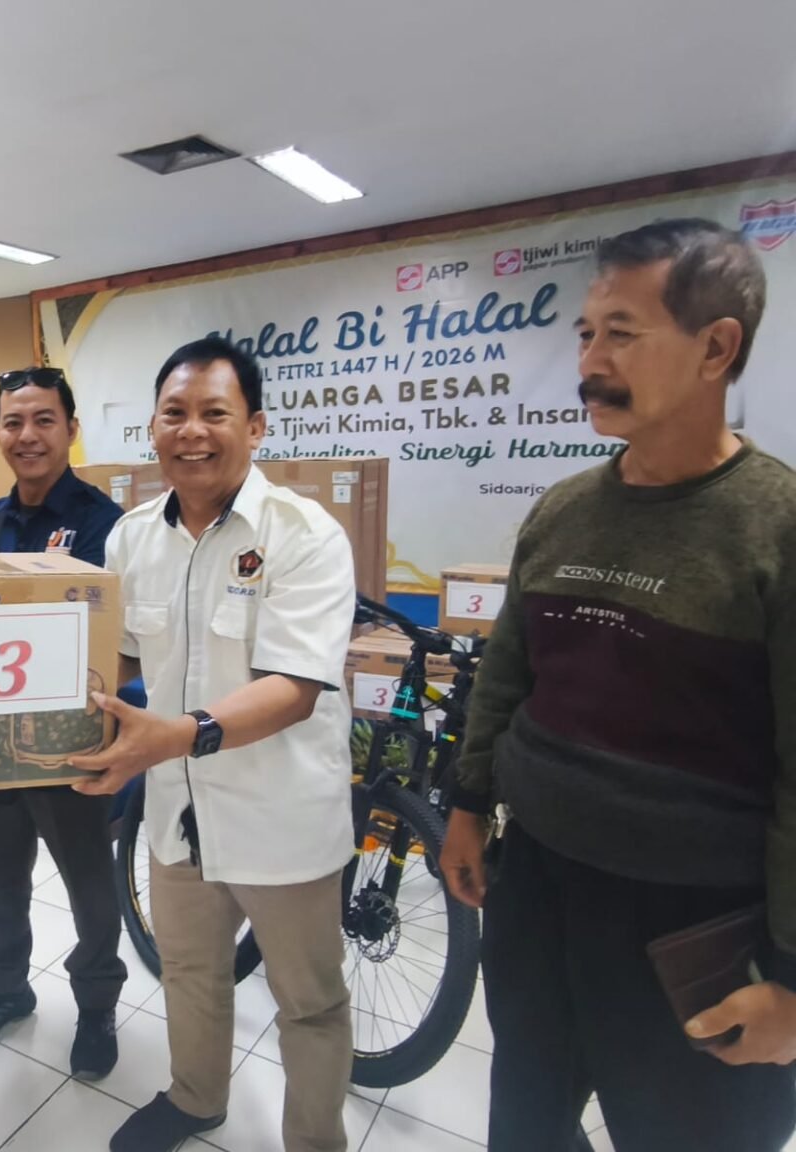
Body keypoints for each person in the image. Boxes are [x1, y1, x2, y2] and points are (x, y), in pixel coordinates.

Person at [441, 218, 796, 1152]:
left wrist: (792, 978)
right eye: (586, 334)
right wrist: (468, 805)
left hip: (694, 923)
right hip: (539, 887)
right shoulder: (563, 510)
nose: (591, 361)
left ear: (717, 347)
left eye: (623, 334)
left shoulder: (777, 527)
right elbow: (507, 674)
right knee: (525, 1122)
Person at [74, 337, 357, 1152]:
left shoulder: (304, 534)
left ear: (255, 426)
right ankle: (196, 1097)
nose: (191, 431)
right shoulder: (132, 538)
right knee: (190, 972)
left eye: (213, 413)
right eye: (174, 413)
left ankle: (315, 1142)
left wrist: (178, 734)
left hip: (281, 816)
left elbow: (295, 687)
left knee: (309, 1001)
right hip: (178, 812)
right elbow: (123, 656)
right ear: (153, 428)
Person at [0, 366, 127, 1080]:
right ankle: (2, 990)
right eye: (13, 422)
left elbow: (122, 642)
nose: (28, 435)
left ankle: (97, 1005)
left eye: (44, 420)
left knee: (90, 889)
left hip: (70, 745)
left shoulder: (109, 527)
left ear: (70, 429)